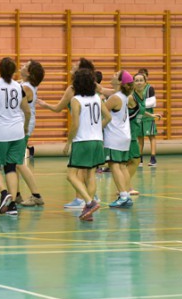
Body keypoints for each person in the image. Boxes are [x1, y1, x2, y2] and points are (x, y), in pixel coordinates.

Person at [37, 57, 99, 208]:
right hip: (96, 135)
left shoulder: (72, 90)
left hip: (82, 136)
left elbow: (59, 109)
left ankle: (82, 199)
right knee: (89, 172)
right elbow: (107, 110)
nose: (72, 66)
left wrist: (45, 105)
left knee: (76, 173)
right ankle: (90, 198)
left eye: (76, 65)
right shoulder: (94, 89)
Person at [0, 57, 31, 216]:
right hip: (17, 132)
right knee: (11, 167)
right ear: (14, 71)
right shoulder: (19, 87)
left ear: (0, 70)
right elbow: (27, 111)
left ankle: (4, 193)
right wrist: (25, 127)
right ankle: (13, 205)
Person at [64, 68, 111, 221]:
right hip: (97, 141)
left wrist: (68, 142)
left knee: (71, 175)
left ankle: (90, 202)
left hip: (82, 141)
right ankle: (88, 209)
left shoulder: (76, 100)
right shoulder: (97, 98)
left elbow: (75, 125)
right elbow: (108, 117)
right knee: (91, 175)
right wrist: (97, 129)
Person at [104, 71, 135, 208]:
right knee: (122, 166)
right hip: (124, 135)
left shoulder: (115, 98)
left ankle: (123, 196)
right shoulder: (123, 96)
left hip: (114, 136)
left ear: (120, 82)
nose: (112, 75)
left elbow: (101, 111)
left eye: (115, 74)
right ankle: (126, 195)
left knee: (114, 165)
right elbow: (102, 89)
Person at [16, 60, 45, 207]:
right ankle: (16, 194)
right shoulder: (24, 84)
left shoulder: (26, 88)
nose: (21, 66)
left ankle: (36, 195)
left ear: (28, 73)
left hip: (24, 125)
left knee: (18, 161)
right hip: (22, 124)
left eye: (25, 66)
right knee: (13, 162)